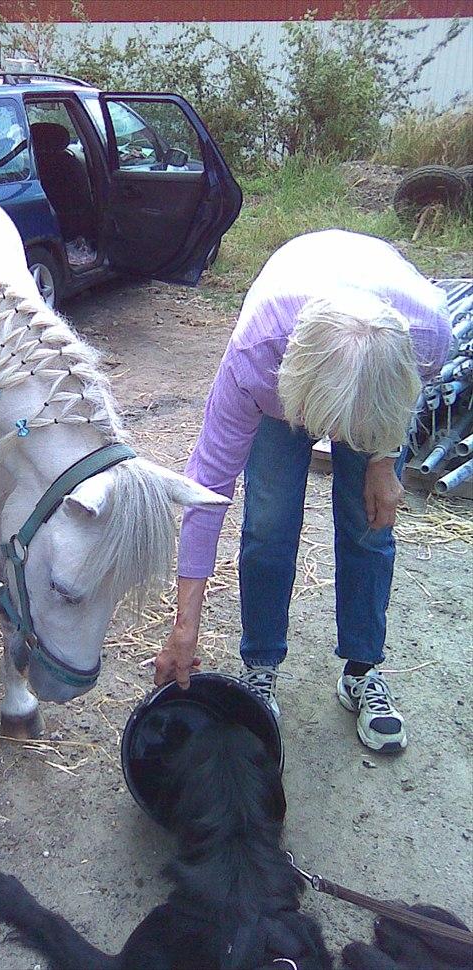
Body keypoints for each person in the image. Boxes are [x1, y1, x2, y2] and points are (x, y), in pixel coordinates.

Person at [154, 229, 451, 752]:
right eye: (329, 427)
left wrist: (381, 460)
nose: (334, 442)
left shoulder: (427, 335)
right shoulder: (257, 355)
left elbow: (403, 397)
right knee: (268, 523)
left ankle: (362, 670)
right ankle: (262, 667)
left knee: (369, 523)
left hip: (373, 360)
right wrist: (185, 626)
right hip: (293, 361)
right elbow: (209, 489)